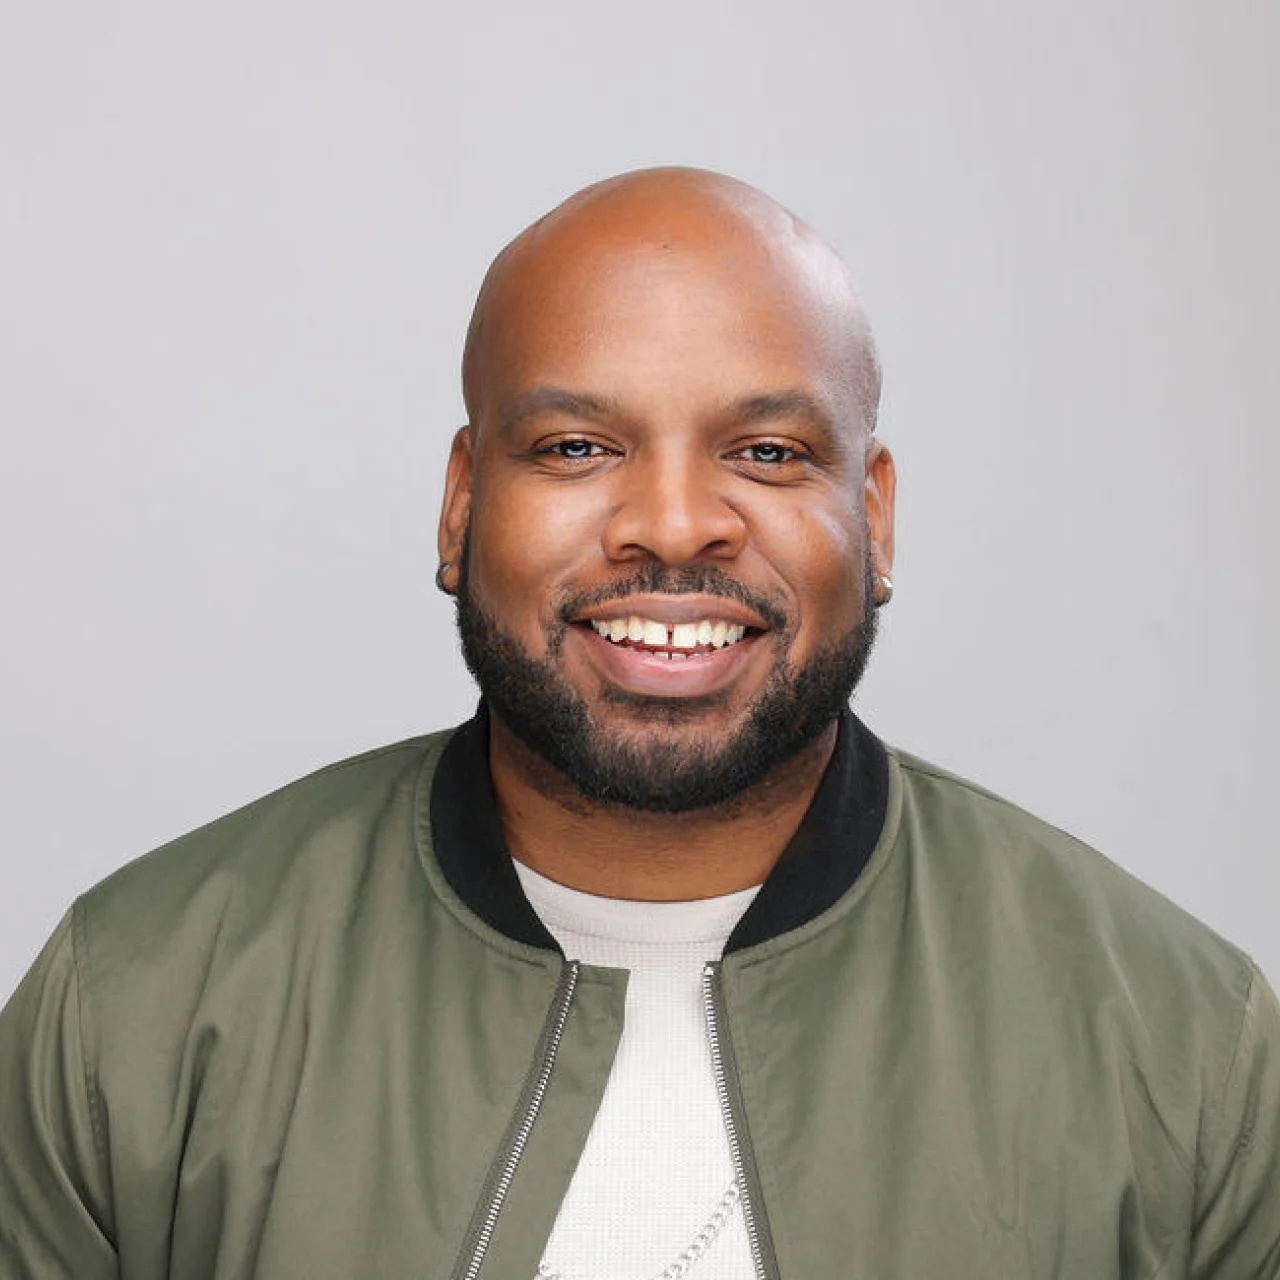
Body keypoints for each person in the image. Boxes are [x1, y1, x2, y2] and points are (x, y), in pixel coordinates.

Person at [1, 167, 1277, 1280]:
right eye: (573, 446)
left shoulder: (1181, 1051)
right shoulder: (134, 1001)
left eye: (768, 453)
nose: (672, 523)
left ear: (872, 518)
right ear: (458, 506)